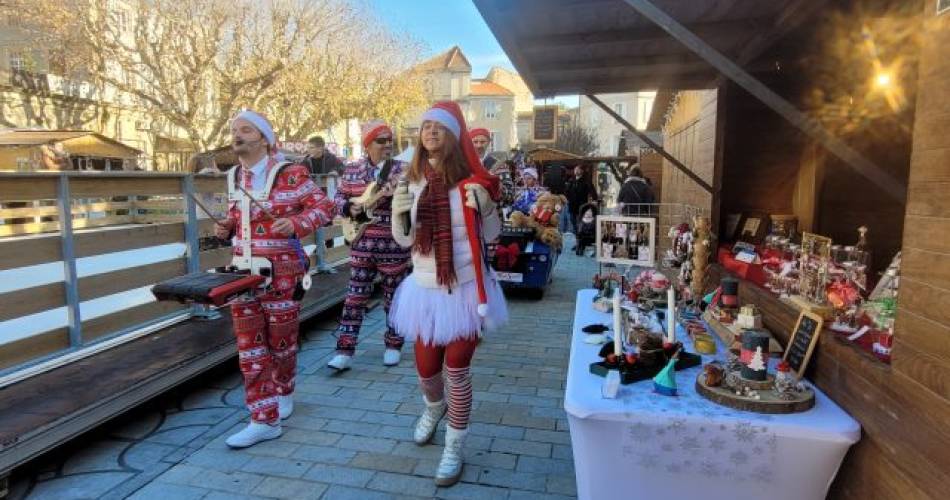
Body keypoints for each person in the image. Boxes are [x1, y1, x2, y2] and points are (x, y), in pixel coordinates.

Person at [389, 101, 508, 486]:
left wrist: (489, 210)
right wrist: (398, 214)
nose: (431, 132)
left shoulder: (472, 184)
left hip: (465, 289)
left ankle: (455, 445)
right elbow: (405, 239)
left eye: (439, 127)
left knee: (456, 369)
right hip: (424, 288)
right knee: (426, 370)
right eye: (425, 127)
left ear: (454, 136)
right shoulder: (411, 181)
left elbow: (491, 237)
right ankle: (433, 408)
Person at [213, 110, 334, 448]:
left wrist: (296, 224)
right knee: (249, 348)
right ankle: (263, 419)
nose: (237, 135)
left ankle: (284, 389)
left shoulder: (290, 174)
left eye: (245, 130)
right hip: (243, 273)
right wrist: (226, 228)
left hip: (283, 275)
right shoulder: (233, 176)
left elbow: (326, 207)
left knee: (282, 344)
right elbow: (239, 221)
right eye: (234, 129)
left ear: (264, 139)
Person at [328, 120, 411, 370]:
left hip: (393, 245)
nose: (387, 145)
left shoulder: (404, 170)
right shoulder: (352, 170)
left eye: (389, 140)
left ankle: (393, 345)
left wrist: (401, 194)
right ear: (367, 144)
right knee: (355, 297)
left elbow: (416, 200)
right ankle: (344, 350)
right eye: (381, 140)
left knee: (394, 298)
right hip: (361, 242)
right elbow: (339, 198)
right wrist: (349, 207)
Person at [302, 136, 344, 274]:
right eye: (308, 147)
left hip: (327, 198)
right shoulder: (306, 160)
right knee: (315, 224)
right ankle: (319, 251)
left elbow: (342, 167)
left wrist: (335, 172)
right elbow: (299, 172)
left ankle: (326, 252)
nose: (309, 150)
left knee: (327, 224)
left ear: (320, 148)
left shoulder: (331, 158)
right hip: (312, 199)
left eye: (312, 147)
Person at [565, 165, 596, 233]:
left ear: (582, 171)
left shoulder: (586, 181)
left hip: (581, 204)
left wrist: (594, 199)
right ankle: (576, 233)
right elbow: (567, 191)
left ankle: (580, 234)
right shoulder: (571, 180)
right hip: (572, 204)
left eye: (578, 169)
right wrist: (566, 199)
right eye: (575, 169)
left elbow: (592, 190)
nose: (576, 171)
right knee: (572, 220)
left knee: (579, 220)